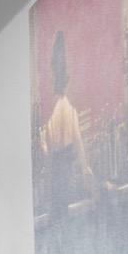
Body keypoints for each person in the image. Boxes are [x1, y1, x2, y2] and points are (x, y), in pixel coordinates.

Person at [40, 29, 98, 212]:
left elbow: (48, 157)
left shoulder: (52, 116)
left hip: (56, 187)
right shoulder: (68, 109)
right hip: (66, 185)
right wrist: (88, 175)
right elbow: (80, 151)